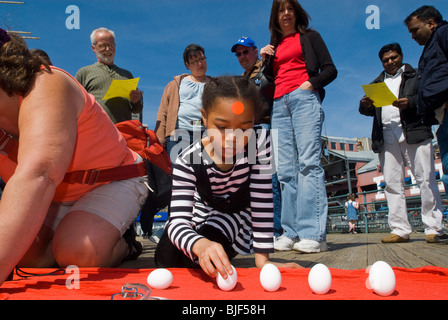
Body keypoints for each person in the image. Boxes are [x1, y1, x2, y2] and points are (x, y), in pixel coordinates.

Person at [0, 31, 149, 286]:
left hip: (110, 179)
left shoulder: (47, 81)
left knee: (78, 253)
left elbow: (39, 174)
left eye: (110, 44)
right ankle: (78, 230)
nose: (107, 48)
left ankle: (124, 244)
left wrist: (137, 101)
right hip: (59, 194)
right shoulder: (86, 71)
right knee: (24, 256)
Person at [154, 76, 300, 278]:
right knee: (165, 257)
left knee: (201, 260)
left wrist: (264, 262)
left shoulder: (259, 146)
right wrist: (200, 244)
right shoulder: (187, 159)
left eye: (244, 128)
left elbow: (262, 203)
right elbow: (178, 221)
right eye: (222, 127)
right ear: (204, 117)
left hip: (236, 218)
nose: (233, 138)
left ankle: (219, 246)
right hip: (202, 211)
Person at [260, 0, 337, 253]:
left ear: (297, 13)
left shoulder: (311, 37)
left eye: (290, 9)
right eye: (281, 10)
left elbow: (330, 69)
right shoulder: (275, 45)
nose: (286, 14)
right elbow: (269, 78)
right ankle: (290, 232)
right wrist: (265, 59)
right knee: (285, 171)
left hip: (304, 98)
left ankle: (313, 233)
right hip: (279, 105)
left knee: (308, 164)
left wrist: (309, 84)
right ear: (275, 16)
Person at [359, 42, 444, 243]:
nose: (390, 62)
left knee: (425, 178)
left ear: (401, 56)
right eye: (386, 60)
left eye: (394, 58)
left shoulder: (417, 76)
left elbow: (429, 97)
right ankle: (399, 229)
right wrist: (365, 105)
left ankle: (433, 228)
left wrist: (411, 102)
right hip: (386, 136)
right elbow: (367, 111)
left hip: (414, 131)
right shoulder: (376, 83)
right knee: (392, 183)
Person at [231, 36, 283, 237]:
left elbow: (266, 84)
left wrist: (264, 61)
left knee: (270, 181)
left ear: (255, 51)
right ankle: (258, 229)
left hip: (265, 126)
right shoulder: (242, 79)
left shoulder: (266, 66)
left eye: (246, 51)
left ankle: (274, 230)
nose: (242, 56)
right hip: (248, 131)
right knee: (252, 182)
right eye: (239, 54)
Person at [405, 6, 448, 213]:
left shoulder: (443, 34)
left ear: (431, 23)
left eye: (415, 30)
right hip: (441, 117)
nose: (413, 36)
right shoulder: (430, 47)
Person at [155, 44, 211, 161]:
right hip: (179, 136)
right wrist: (159, 139)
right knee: (179, 176)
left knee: (206, 176)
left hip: (206, 136)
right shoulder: (176, 84)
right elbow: (163, 111)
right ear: (187, 65)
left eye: (202, 59)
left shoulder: (216, 85)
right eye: (195, 61)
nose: (200, 64)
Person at [75, 27, 143, 124]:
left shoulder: (127, 75)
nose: (108, 49)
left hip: (123, 133)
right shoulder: (84, 73)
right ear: (93, 48)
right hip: (94, 130)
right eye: (102, 46)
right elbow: (74, 104)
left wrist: (135, 101)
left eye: (111, 45)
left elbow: (136, 110)